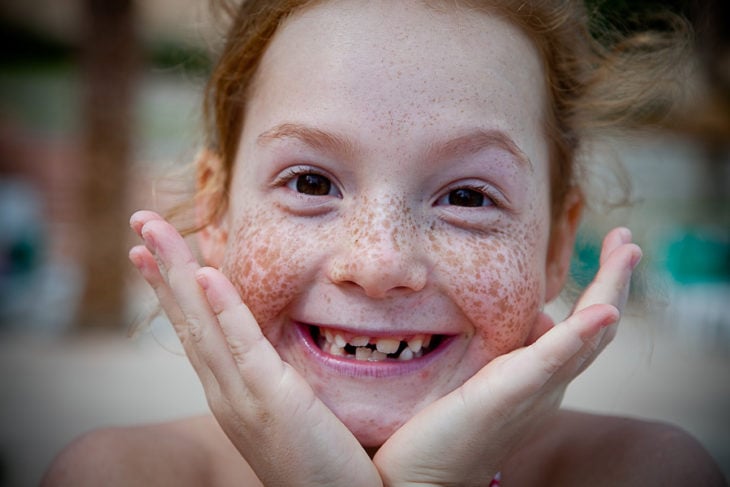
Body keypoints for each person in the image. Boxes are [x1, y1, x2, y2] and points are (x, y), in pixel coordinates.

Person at [43, 0, 726, 485]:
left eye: (466, 197)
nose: (377, 264)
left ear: (557, 246)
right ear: (216, 210)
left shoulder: (650, 474)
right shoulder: (112, 475)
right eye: (311, 181)